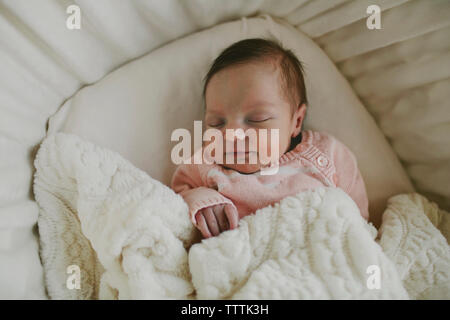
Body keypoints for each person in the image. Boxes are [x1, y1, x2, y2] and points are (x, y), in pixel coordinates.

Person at [171, 38, 369, 239]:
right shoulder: (205, 166)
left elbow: (356, 217)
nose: (232, 134)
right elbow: (175, 197)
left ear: (297, 121)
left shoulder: (326, 154)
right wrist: (201, 200)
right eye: (216, 123)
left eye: (257, 119)